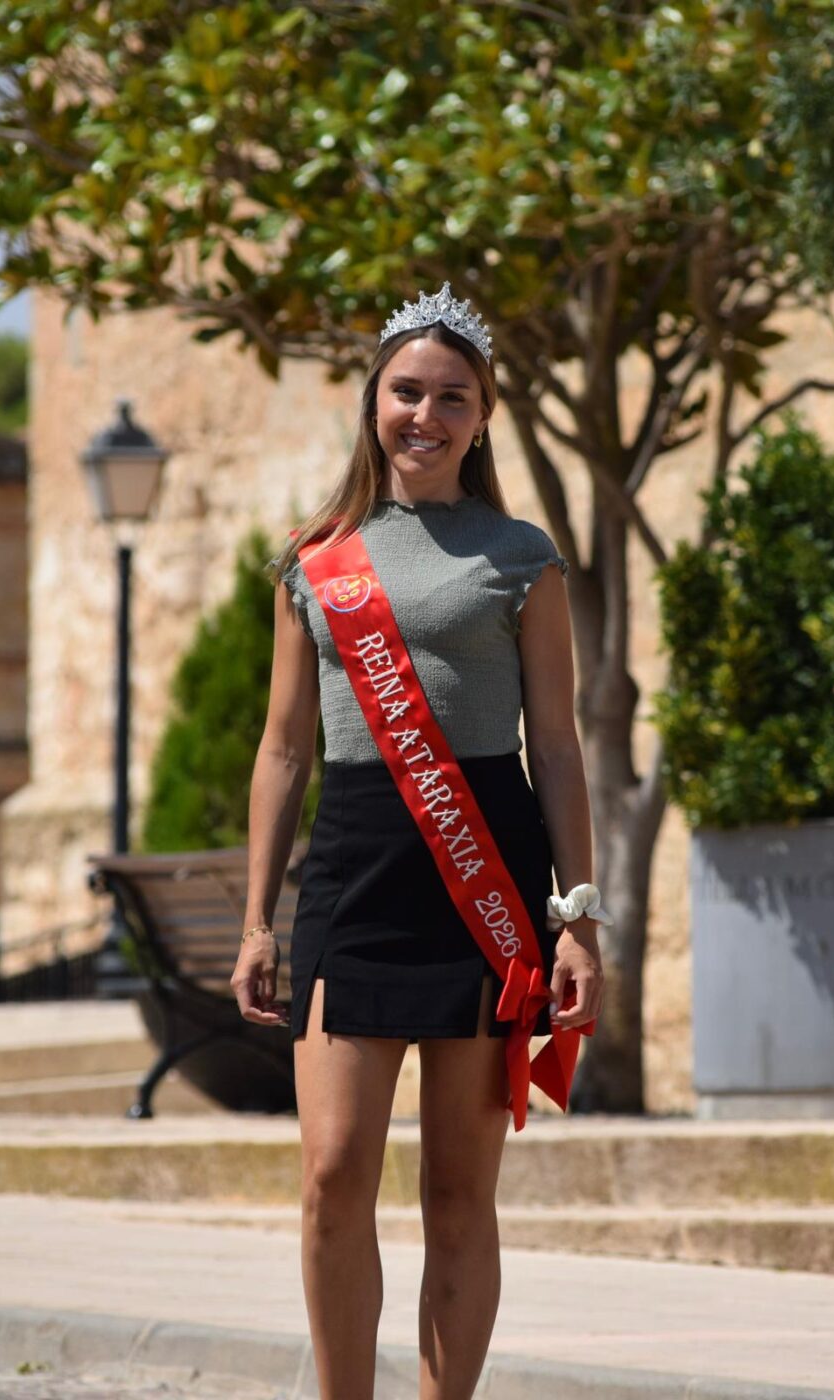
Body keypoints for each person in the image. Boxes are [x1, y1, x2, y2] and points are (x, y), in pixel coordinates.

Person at [232, 283, 605, 1400]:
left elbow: (558, 745)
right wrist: (257, 921)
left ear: (483, 417)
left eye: (452, 397)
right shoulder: (315, 559)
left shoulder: (522, 557)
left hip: (486, 879)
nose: (425, 415)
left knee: (457, 1193)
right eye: (406, 391)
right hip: (355, 874)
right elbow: (282, 750)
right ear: (373, 403)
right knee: (331, 1176)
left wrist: (578, 919)